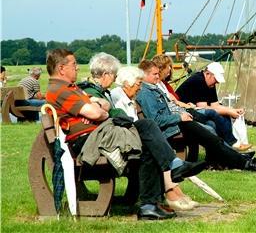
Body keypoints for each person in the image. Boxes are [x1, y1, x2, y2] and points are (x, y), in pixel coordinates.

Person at [45, 49, 174, 221]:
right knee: (146, 130)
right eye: (74, 64)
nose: (77, 68)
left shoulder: (71, 88)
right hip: (89, 142)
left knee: (147, 133)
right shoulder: (61, 90)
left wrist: (97, 107)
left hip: (99, 135)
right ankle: (164, 181)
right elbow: (98, 113)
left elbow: (103, 105)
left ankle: (150, 204)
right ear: (61, 68)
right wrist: (97, 110)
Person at [77, 52, 204, 213]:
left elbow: (112, 113)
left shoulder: (102, 92)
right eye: (114, 75)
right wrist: (113, 113)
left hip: (109, 136)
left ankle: (152, 204)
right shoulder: (93, 92)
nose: (116, 78)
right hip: (102, 141)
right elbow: (110, 115)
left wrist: (112, 112)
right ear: (106, 74)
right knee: (148, 127)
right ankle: (167, 179)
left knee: (150, 139)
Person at [136, 59, 256, 172]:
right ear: (144, 75)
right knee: (212, 138)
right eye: (154, 74)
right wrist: (180, 117)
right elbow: (155, 120)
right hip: (175, 126)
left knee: (212, 138)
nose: (158, 77)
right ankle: (246, 163)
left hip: (180, 121)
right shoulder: (146, 93)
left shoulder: (152, 89)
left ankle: (241, 160)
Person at [176, 62, 251, 151]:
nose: (217, 82)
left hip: (196, 112)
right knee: (212, 124)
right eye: (216, 79)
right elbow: (205, 108)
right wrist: (228, 111)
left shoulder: (210, 82)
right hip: (184, 112)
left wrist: (233, 110)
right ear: (207, 74)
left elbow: (216, 105)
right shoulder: (199, 80)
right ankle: (231, 144)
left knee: (223, 116)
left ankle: (229, 150)